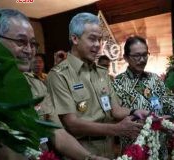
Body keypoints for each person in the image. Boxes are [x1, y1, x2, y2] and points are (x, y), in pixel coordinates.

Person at [0, 8, 108, 160]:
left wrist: (90, 158)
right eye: (21, 42)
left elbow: (57, 133)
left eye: (33, 44)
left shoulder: (37, 86)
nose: (29, 50)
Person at [46, 12, 149, 158]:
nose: (97, 45)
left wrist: (135, 111)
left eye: (99, 40)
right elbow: (72, 125)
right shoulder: (59, 75)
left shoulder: (101, 72)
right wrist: (116, 129)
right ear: (75, 38)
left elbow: (115, 110)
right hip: (82, 153)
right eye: (92, 39)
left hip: (109, 150)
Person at [112, 35, 174, 159]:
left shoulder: (154, 79)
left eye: (145, 54)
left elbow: (169, 100)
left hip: (160, 147)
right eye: (137, 56)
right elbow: (115, 114)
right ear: (126, 57)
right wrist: (140, 121)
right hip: (134, 149)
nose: (142, 60)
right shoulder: (118, 83)